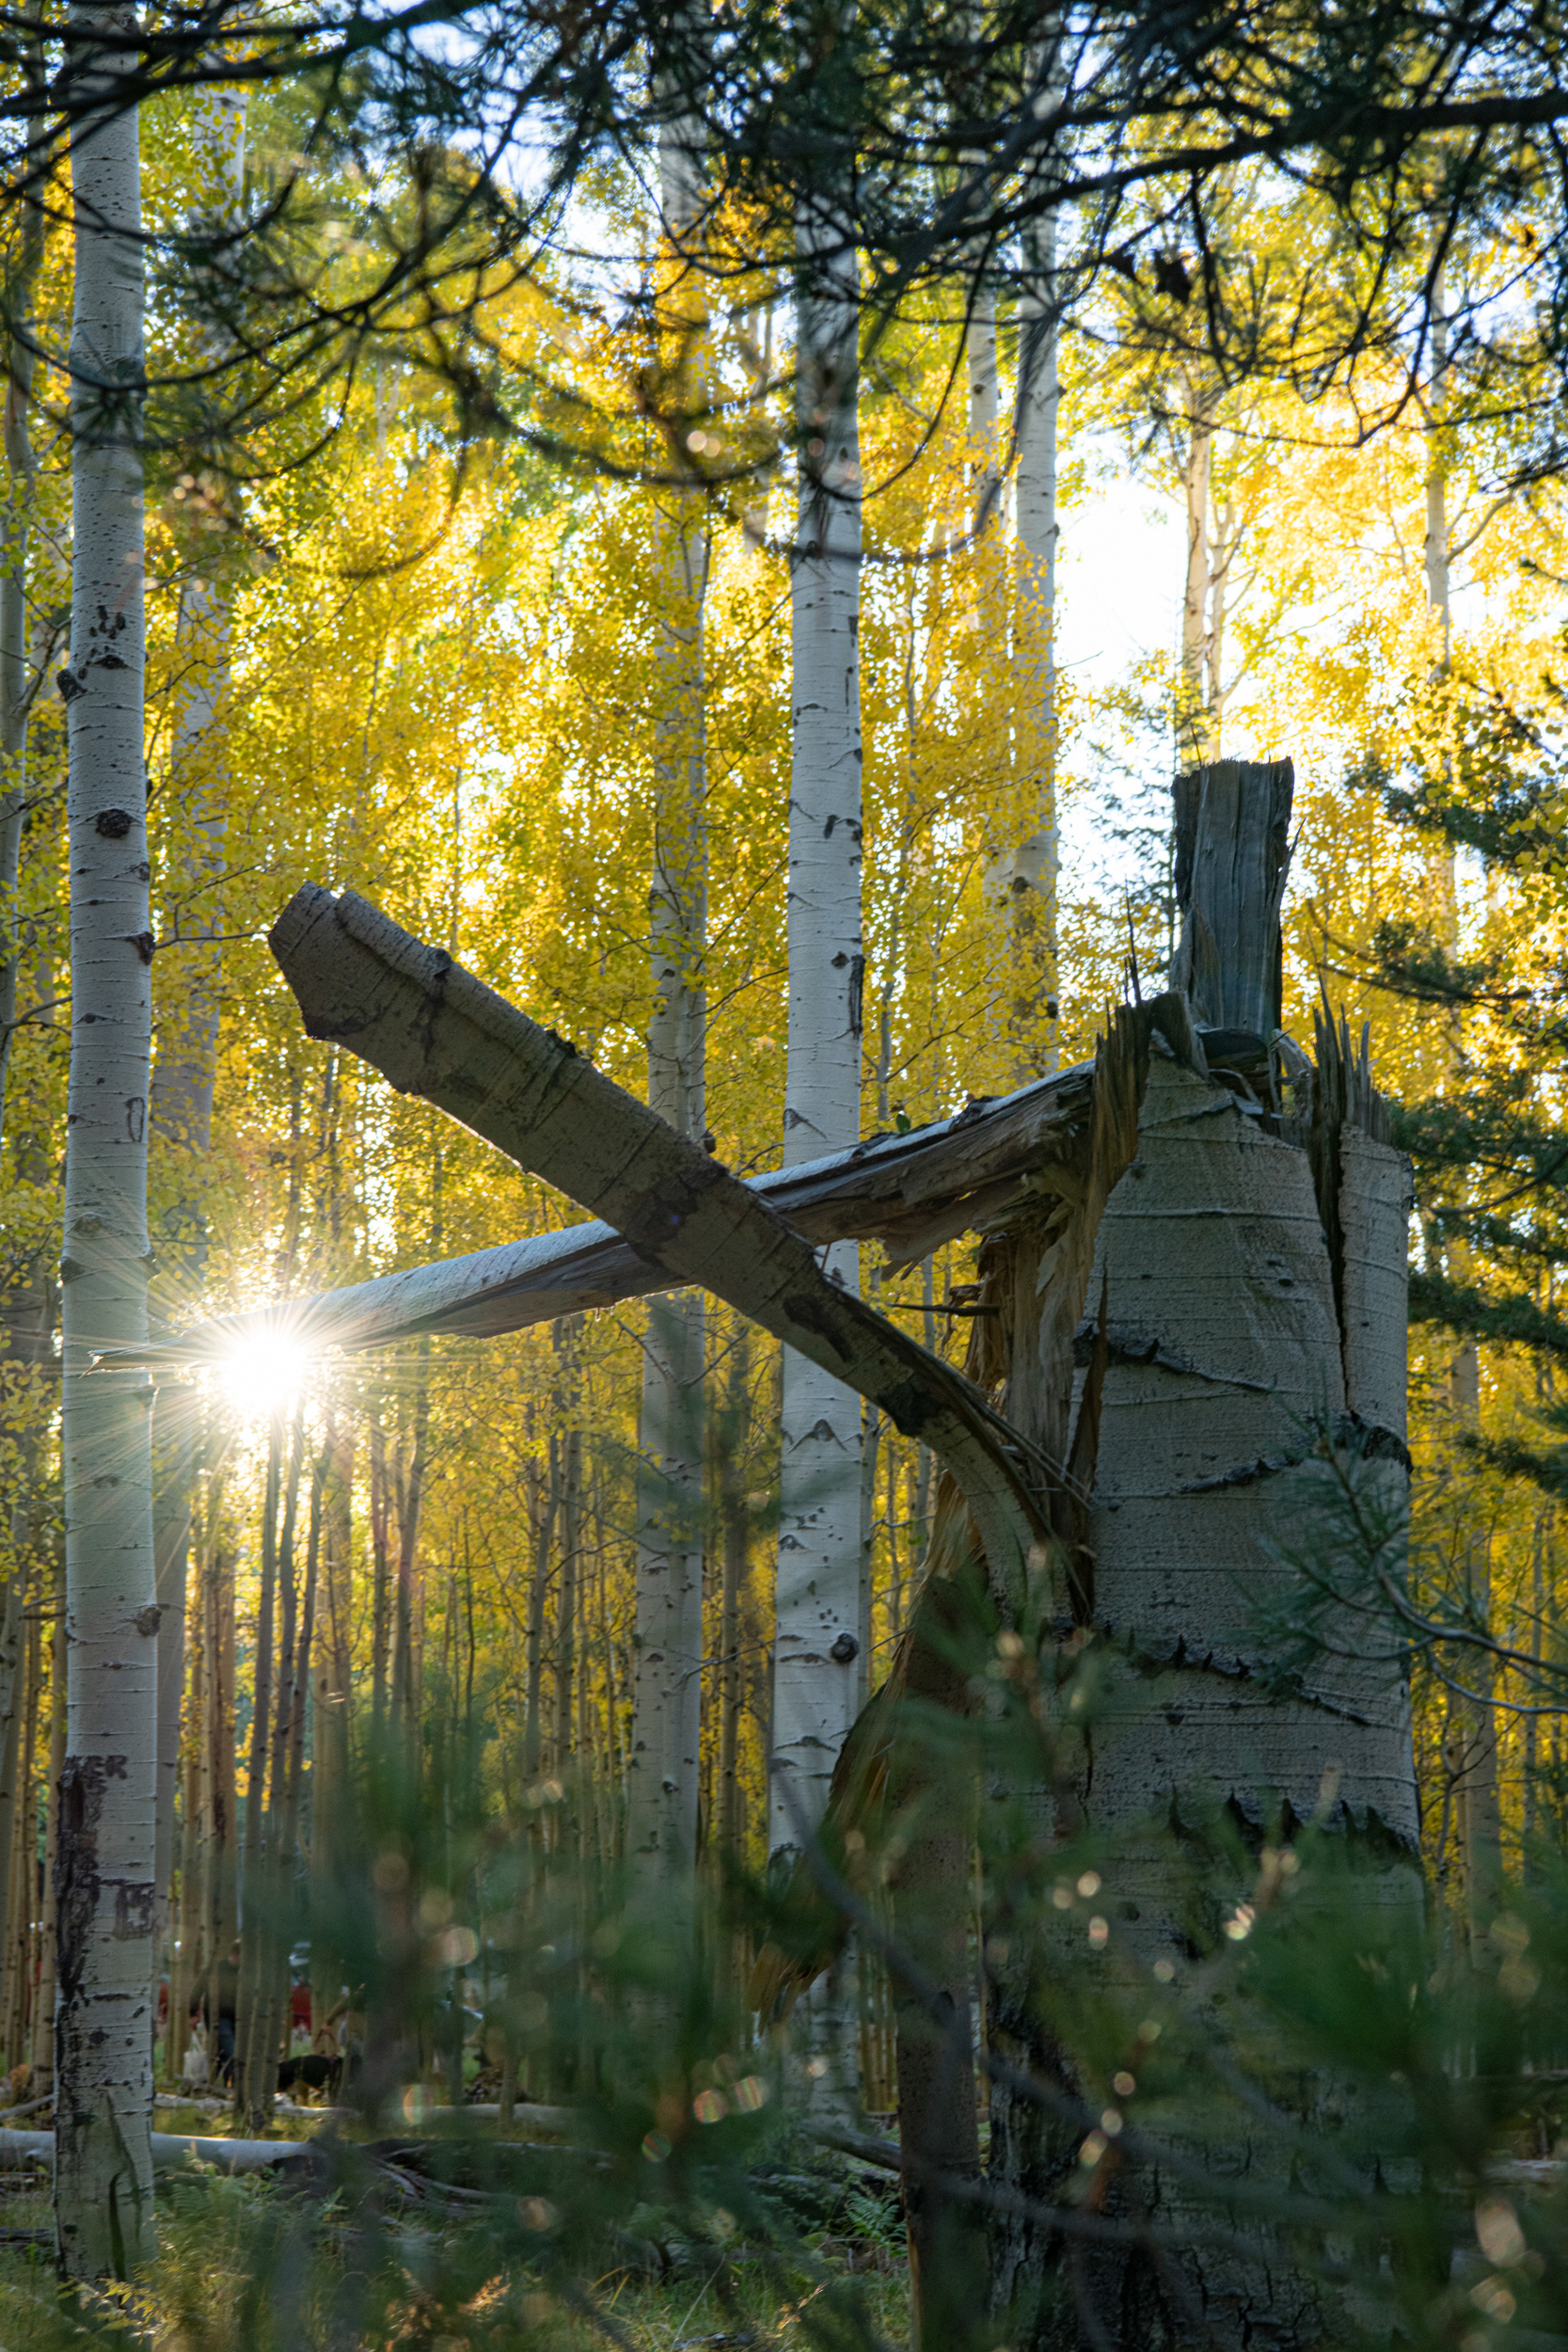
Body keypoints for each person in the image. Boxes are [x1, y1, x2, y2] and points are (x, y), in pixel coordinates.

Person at [214, 1939, 241, 2086]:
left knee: (227, 2052)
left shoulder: (242, 1971)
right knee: (231, 2052)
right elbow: (200, 1988)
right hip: (221, 2017)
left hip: (238, 2018)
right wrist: (193, 2013)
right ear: (236, 1954)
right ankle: (233, 2085)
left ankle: (226, 2085)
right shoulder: (219, 1968)